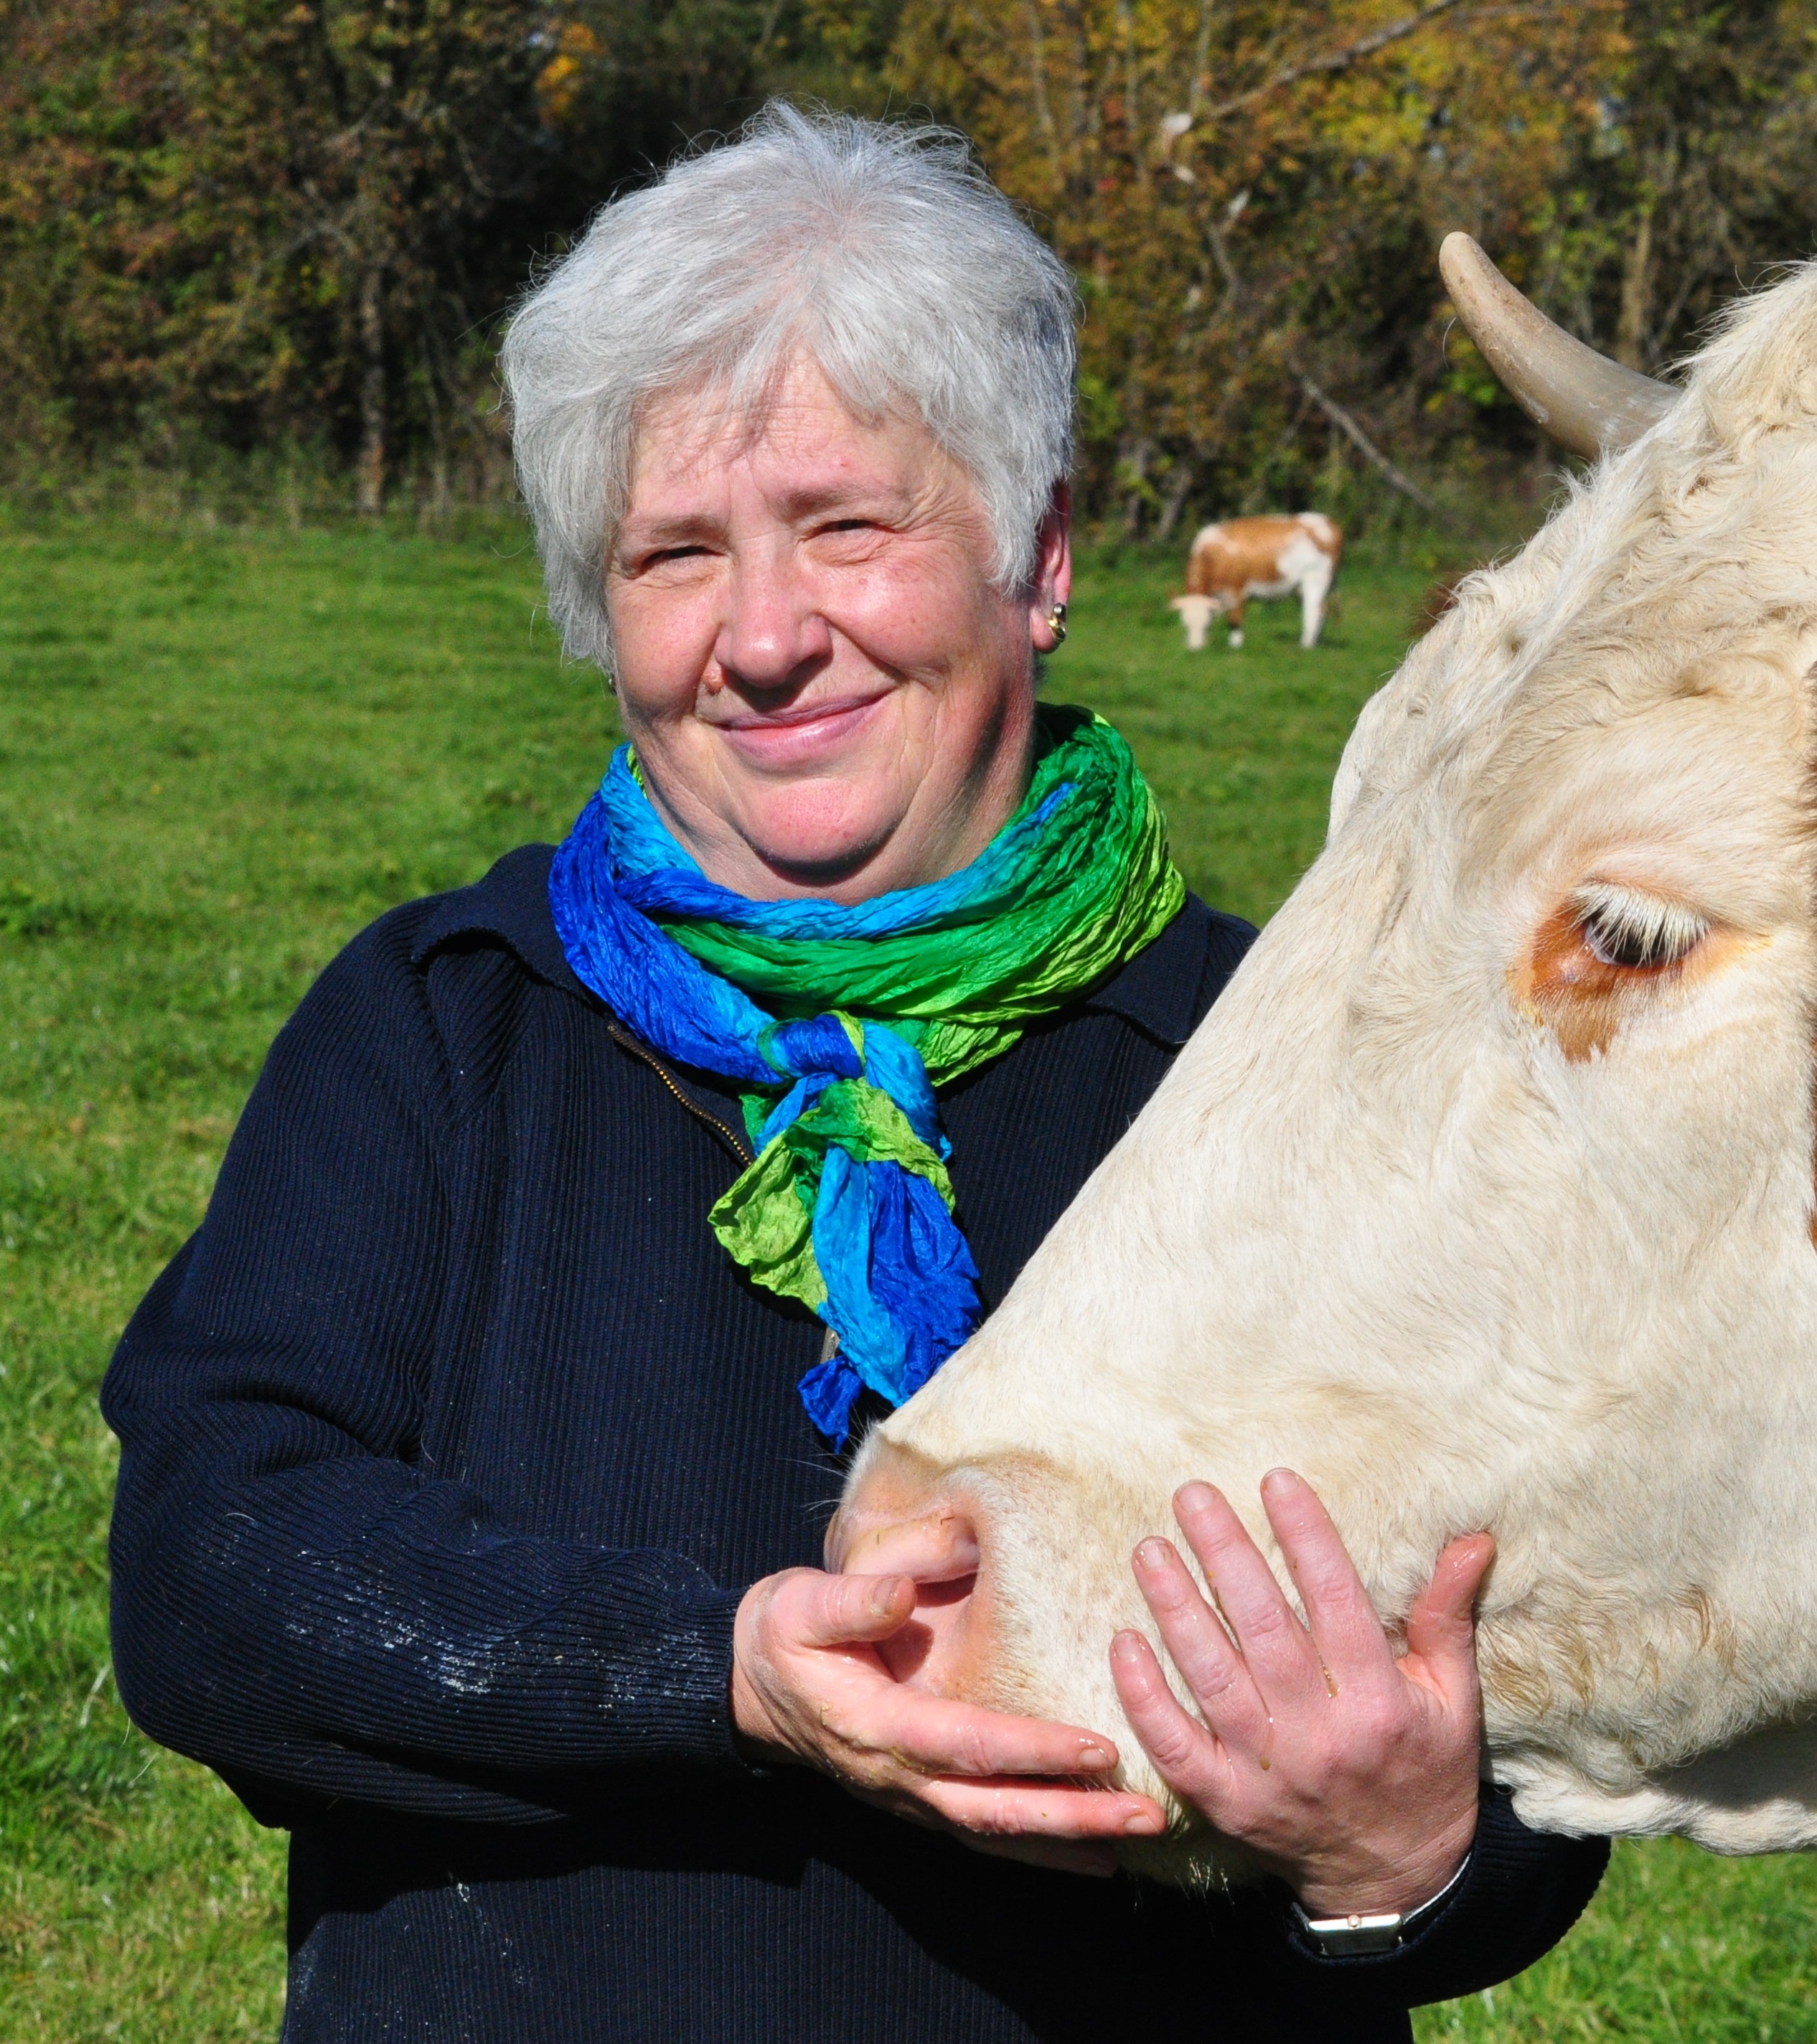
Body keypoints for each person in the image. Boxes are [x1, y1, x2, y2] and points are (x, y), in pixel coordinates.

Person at [101, 105, 1605, 2042]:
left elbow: (1543, 1725)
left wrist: (1405, 1849)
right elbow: (214, 1572)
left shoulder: (1303, 1060)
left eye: (847, 526)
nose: (763, 636)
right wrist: (710, 1673)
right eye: (673, 555)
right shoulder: (441, 1028)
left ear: (1039, 561)